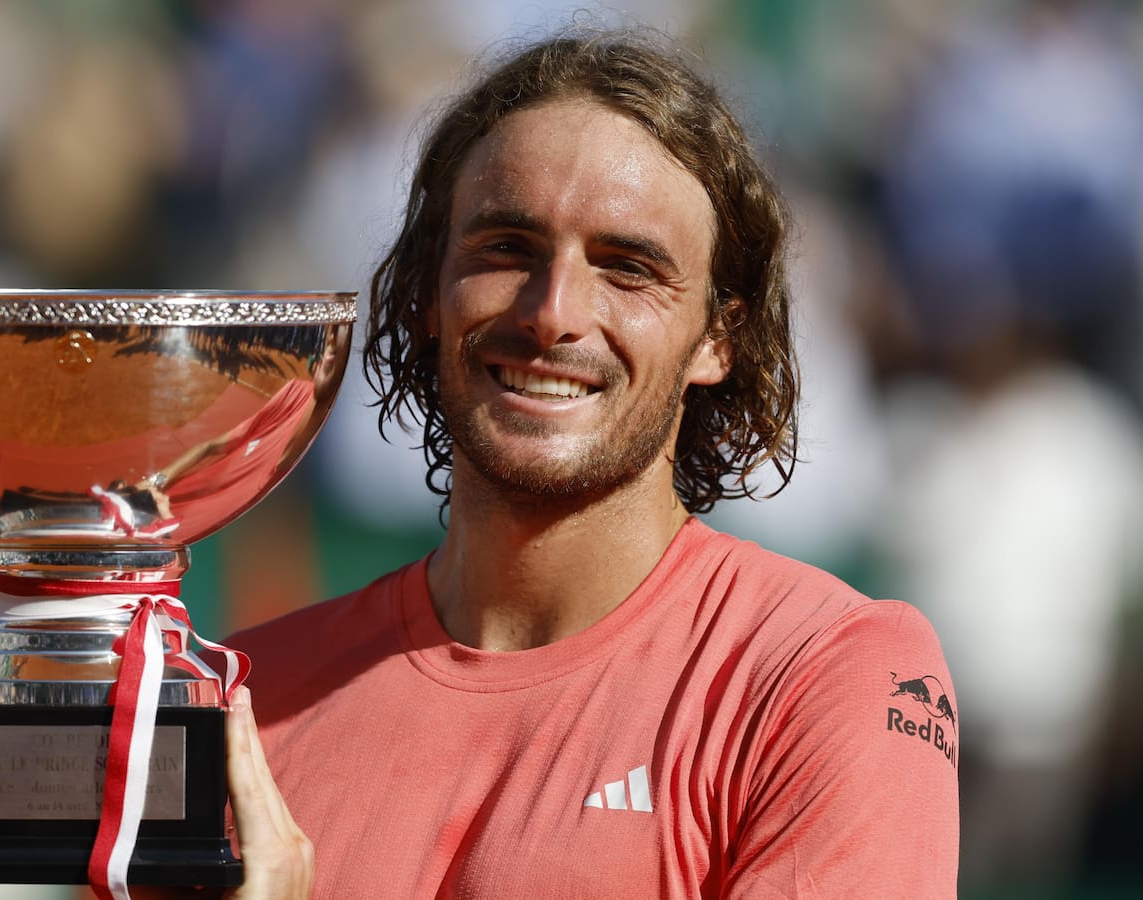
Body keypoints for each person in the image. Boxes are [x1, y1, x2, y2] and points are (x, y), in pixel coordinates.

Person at [211, 30, 959, 898]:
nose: (554, 312)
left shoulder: (826, 671)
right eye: (506, 249)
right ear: (423, 290)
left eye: (627, 267)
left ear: (720, 337)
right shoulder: (243, 702)